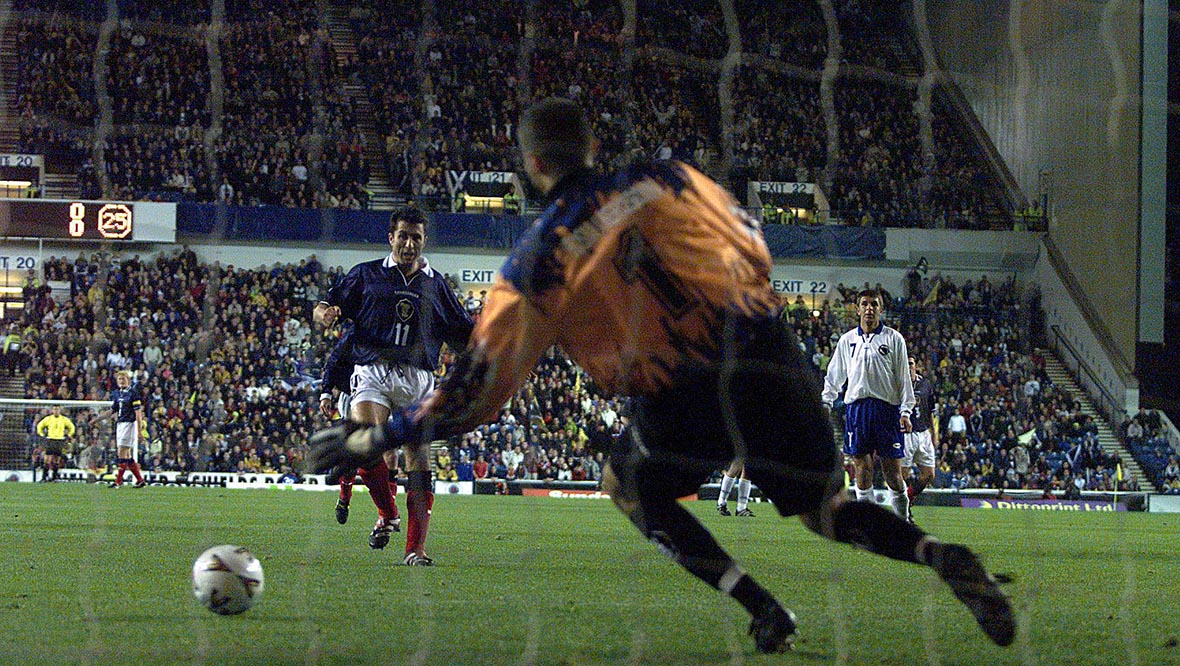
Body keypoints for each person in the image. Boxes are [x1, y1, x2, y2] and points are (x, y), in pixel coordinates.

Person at [306, 98, 1014, 651]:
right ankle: (939, 554)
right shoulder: (666, 176)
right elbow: (751, 241)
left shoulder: (537, 260)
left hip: (681, 390)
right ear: (591, 148)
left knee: (625, 484)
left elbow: (478, 391)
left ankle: (763, 610)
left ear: (530, 164)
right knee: (826, 511)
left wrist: (378, 439)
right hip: (765, 346)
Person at [313, 207, 473, 566]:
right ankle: (389, 513)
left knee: (418, 457)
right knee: (364, 442)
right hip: (373, 370)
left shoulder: (437, 285)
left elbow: (466, 334)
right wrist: (323, 312)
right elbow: (327, 303)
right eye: (403, 236)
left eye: (416, 237)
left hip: (418, 378)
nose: (409, 243)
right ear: (391, 238)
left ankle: (415, 550)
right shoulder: (366, 275)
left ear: (423, 241)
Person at [822, 288, 914, 519]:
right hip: (857, 410)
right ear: (857, 308)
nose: (869, 308)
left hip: (887, 410)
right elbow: (835, 375)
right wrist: (826, 402)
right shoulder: (847, 340)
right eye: (865, 304)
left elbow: (904, 379)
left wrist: (906, 411)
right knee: (862, 469)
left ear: (881, 309)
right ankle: (869, 525)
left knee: (892, 473)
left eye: (874, 304)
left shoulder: (894, 338)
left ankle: (902, 523)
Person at [318, 325, 402, 543]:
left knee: (390, 453)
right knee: (357, 451)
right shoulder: (356, 333)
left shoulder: (397, 331)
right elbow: (332, 363)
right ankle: (345, 497)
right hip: (353, 395)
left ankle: (387, 514)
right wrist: (326, 393)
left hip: (387, 391)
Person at [903, 355, 939, 521]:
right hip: (905, 435)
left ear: (916, 365)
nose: (909, 366)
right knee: (901, 476)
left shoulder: (925, 384)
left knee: (929, 474)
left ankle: (908, 498)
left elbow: (932, 412)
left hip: (923, 434)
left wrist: (935, 434)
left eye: (911, 363)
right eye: (906, 363)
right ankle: (903, 512)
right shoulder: (897, 384)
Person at [109, 370, 146, 488]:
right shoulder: (117, 394)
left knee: (121, 452)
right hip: (120, 424)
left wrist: (139, 431)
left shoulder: (133, 393)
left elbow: (138, 414)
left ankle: (118, 481)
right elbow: (112, 410)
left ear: (128, 380)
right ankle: (140, 480)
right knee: (127, 455)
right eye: (119, 379)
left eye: (123, 379)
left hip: (129, 424)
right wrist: (96, 419)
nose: (121, 381)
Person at [35, 404, 75, 482]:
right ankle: (44, 477)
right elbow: (40, 426)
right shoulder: (48, 419)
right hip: (50, 440)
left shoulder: (64, 419)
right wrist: (42, 434)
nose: (56, 411)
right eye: (54, 409)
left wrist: (69, 435)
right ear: (52, 410)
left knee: (56, 460)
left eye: (57, 409)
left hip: (59, 440)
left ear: (60, 410)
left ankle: (54, 477)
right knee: (47, 459)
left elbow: (71, 427)